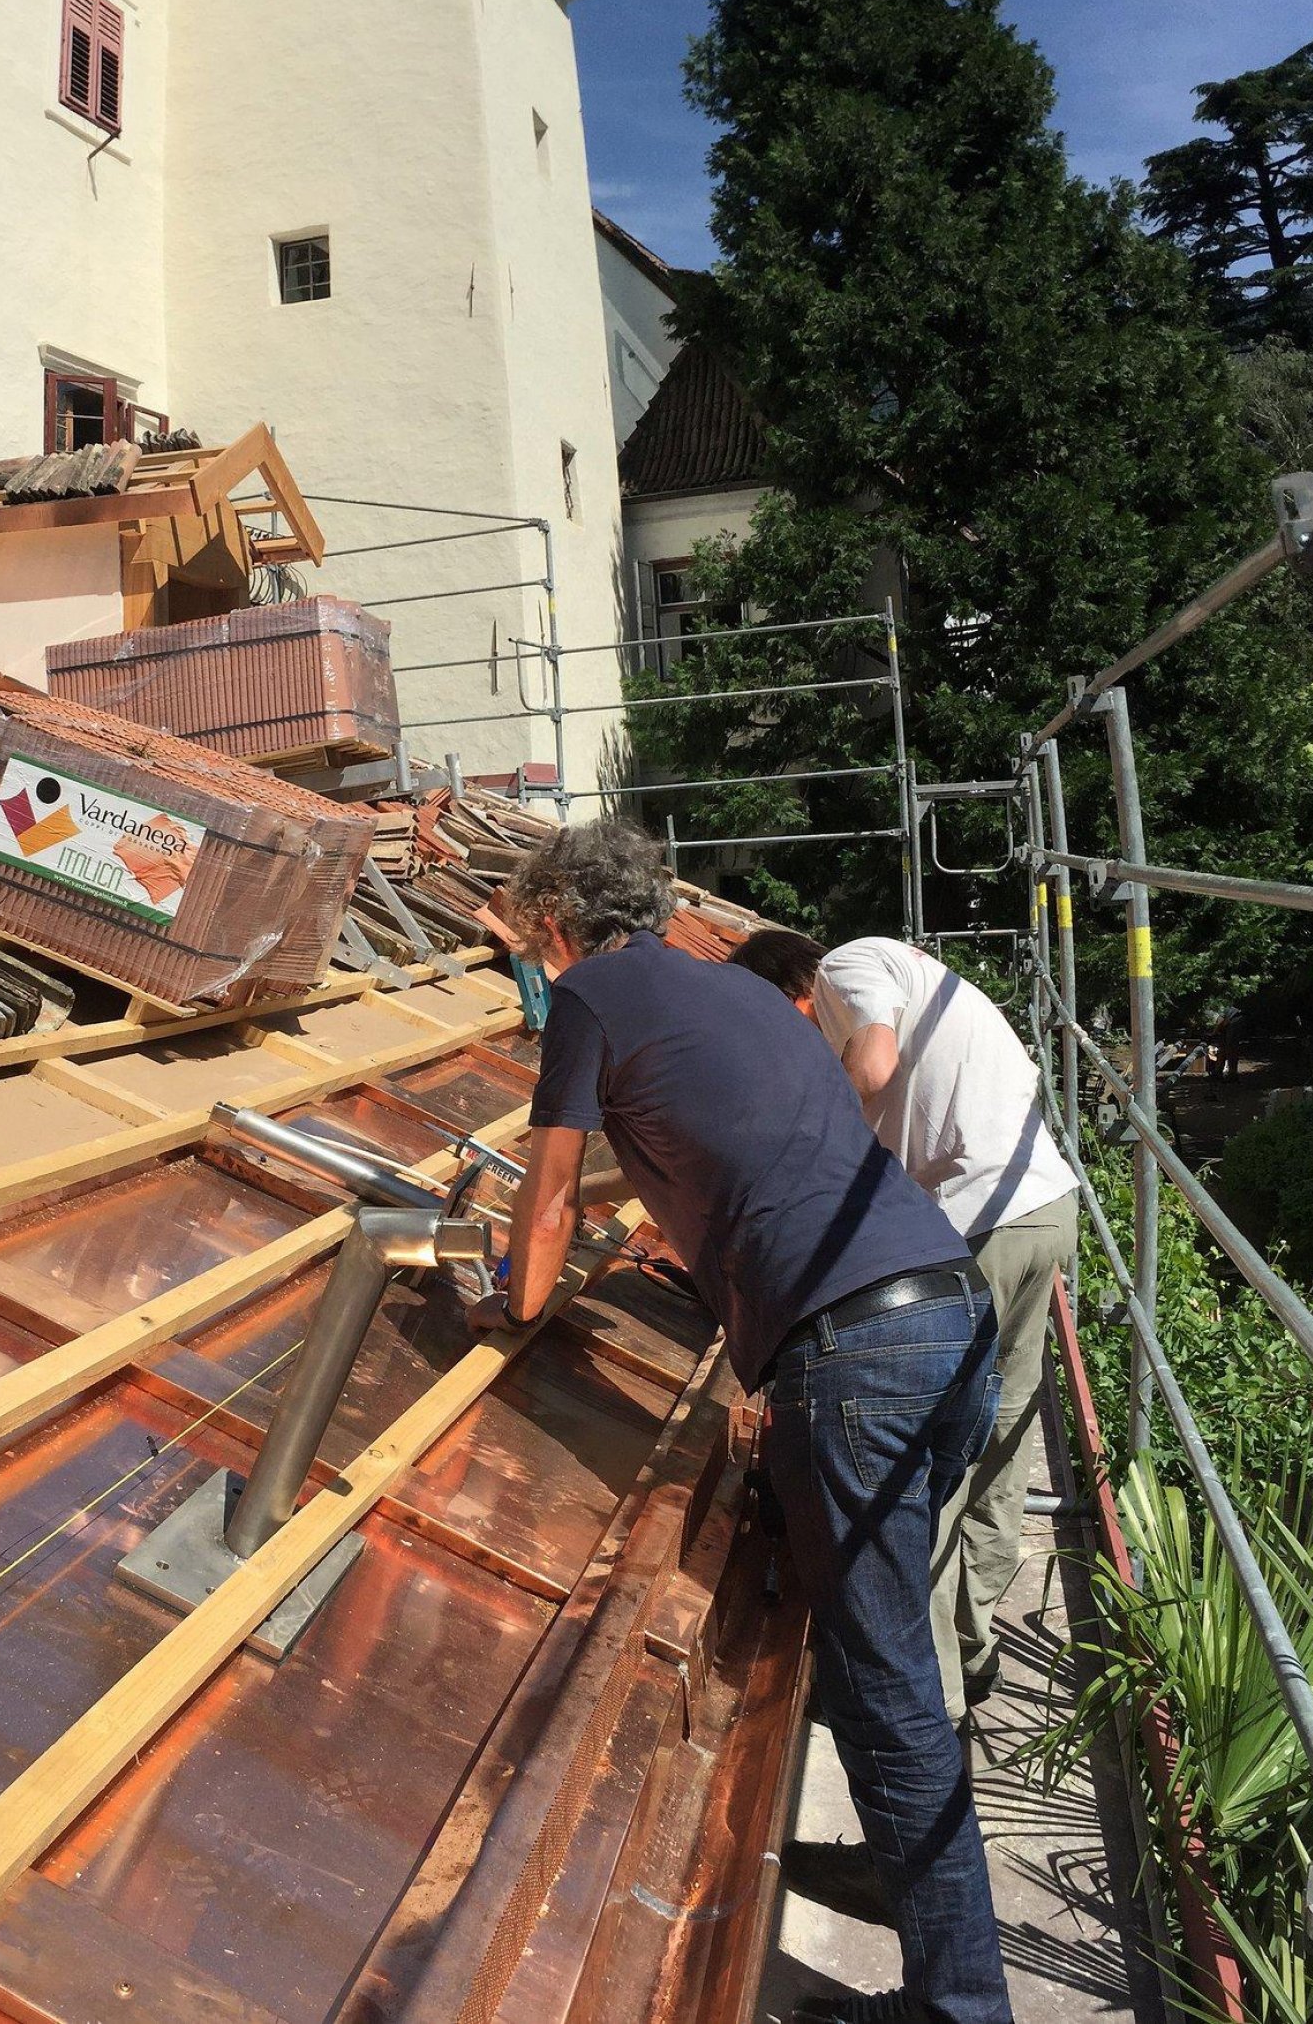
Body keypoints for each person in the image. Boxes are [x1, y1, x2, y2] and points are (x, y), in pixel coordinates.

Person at [482, 821, 1010, 2024]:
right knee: (884, 1667)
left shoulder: (591, 998)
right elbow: (753, 1152)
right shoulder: (734, 992)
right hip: (949, 1308)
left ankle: (963, 2009)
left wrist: (511, 1308)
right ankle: (941, 1940)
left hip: (859, 1350)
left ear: (555, 923)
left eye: (529, 937)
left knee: (888, 1702)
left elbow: (550, 1193)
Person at [735, 925, 1077, 1718]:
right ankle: (974, 1641)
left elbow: (873, 1067)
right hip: (1044, 1208)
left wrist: (814, 1142)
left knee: (927, 1458)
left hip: (984, 1222)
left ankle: (934, 1694)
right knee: (999, 1436)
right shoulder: (923, 983)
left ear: (792, 993)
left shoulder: (849, 967)